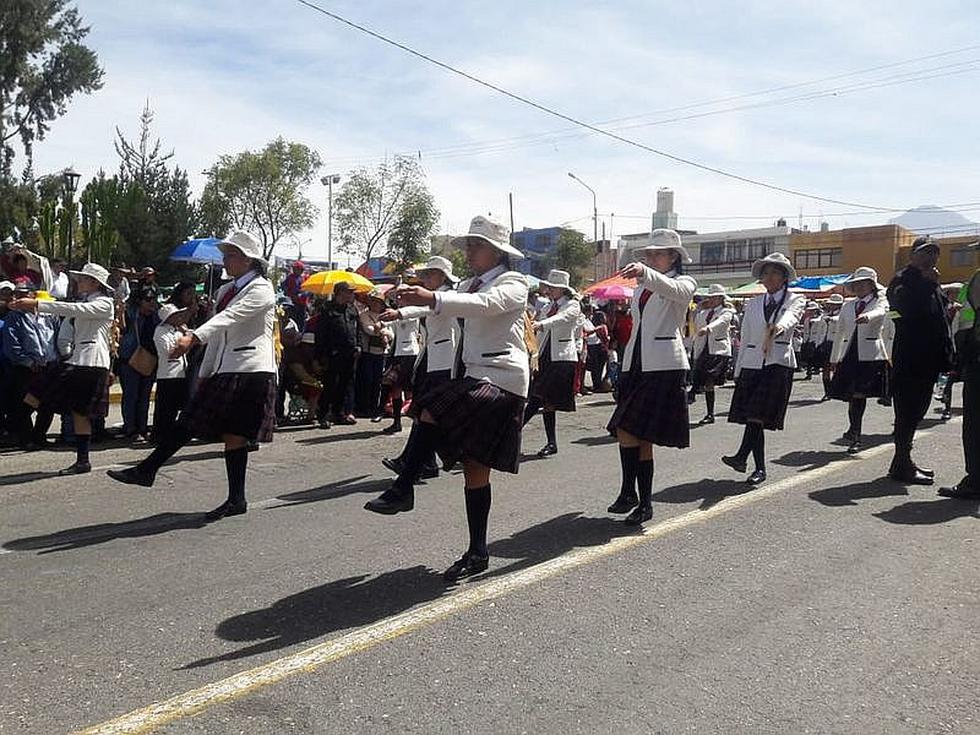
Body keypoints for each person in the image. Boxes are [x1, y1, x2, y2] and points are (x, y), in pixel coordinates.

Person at [364, 215, 529, 581]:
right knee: (474, 468)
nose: (469, 251)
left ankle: (403, 487)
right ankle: (478, 551)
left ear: (498, 252)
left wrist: (435, 296)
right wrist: (407, 306)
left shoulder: (514, 282)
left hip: (503, 379)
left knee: (432, 405)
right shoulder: (469, 284)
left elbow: (485, 305)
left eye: (476, 245)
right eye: (468, 245)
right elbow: (438, 307)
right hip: (475, 376)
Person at [107, 231, 277, 521]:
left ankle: (232, 497)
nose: (225, 259)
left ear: (248, 260)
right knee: (190, 421)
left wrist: (193, 337)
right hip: (225, 369)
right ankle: (149, 470)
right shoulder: (226, 291)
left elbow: (228, 319)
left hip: (252, 369)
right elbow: (219, 333)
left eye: (231, 254)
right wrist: (205, 373)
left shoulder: (262, 289)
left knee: (232, 435)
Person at [606, 229, 698, 525]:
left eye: (659, 253)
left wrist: (645, 272)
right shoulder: (641, 288)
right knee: (634, 434)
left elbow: (677, 292)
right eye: (649, 253)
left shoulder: (683, 282)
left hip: (664, 365)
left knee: (628, 428)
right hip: (636, 363)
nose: (651, 257)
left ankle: (629, 493)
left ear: (674, 257)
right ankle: (641, 500)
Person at [8, 263, 115, 474]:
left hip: (90, 361)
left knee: (74, 409)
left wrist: (36, 304)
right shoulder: (86, 301)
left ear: (95, 283)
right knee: (44, 393)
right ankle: (19, 428)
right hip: (78, 360)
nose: (79, 282)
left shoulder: (104, 303)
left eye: (83, 279)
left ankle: (81, 459)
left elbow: (72, 309)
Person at [722, 252, 805, 485]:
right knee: (752, 417)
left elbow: (792, 317)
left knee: (757, 416)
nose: (769, 277)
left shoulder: (794, 299)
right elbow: (746, 334)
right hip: (751, 362)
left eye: (775, 273)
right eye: (766, 273)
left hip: (777, 363)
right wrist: (738, 370)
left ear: (784, 277)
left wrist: (777, 328)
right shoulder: (754, 302)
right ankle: (755, 466)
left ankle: (743, 458)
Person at [379, 255, 461, 482]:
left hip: (445, 363)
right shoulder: (436, 296)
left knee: (427, 413)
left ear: (442, 276)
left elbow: (425, 310)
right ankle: (426, 463)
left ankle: (413, 462)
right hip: (431, 360)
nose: (425, 278)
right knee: (424, 412)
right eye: (424, 274)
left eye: (429, 274)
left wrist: (401, 312)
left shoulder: (449, 295)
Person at [885, 236, 954, 485]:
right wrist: (926, 285)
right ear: (913, 255)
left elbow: (939, 320)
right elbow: (899, 313)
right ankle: (902, 464)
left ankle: (901, 461)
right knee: (907, 412)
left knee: (918, 411)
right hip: (910, 358)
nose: (931, 257)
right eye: (925, 253)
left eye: (935, 253)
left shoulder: (933, 282)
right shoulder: (902, 280)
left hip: (929, 359)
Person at [827, 267, 890, 454]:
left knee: (859, 395)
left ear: (872, 285)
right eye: (856, 283)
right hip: (849, 354)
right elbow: (839, 333)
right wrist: (834, 358)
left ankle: (856, 434)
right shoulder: (847, 306)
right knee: (851, 396)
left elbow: (881, 311)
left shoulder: (881, 301)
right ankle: (854, 430)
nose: (859, 286)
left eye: (863, 283)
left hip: (870, 355)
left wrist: (867, 316)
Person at [522, 269, 581, 457]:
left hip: (561, 358)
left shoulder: (572, 305)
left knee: (538, 398)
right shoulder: (547, 307)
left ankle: (509, 432)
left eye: (555, 287)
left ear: (563, 289)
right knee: (544, 401)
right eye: (550, 287)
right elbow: (536, 323)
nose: (551, 290)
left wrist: (542, 324)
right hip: (544, 356)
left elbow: (560, 319)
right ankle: (551, 443)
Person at [939, 269, 979, 499]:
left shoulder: (977, 279)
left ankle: (975, 481)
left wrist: (960, 354)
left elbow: (967, 322)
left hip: (976, 357)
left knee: (974, 424)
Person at [2, 283, 58, 448]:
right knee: (24, 404)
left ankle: (39, 437)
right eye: (16, 295)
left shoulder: (47, 316)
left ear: (33, 296)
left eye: (23, 294)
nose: (18, 298)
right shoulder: (14, 317)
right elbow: (12, 346)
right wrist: (28, 362)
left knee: (47, 405)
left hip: (48, 366)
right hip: (27, 368)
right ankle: (26, 438)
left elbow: (55, 340)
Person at [151, 283, 198, 442]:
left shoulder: (179, 330)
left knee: (177, 406)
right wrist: (185, 342)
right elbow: (170, 352)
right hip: (167, 374)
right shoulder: (160, 331)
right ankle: (159, 434)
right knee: (165, 407)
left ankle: (170, 432)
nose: (180, 318)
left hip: (180, 372)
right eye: (176, 316)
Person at [314, 281, 360, 428]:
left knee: (345, 385)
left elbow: (356, 329)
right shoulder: (327, 310)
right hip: (332, 354)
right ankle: (323, 415)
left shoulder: (352, 310)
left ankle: (338, 413)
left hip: (349, 353)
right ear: (340, 292)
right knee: (330, 385)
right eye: (349, 292)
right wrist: (320, 356)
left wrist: (358, 345)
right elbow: (320, 335)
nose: (351, 294)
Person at [118, 290, 161, 443]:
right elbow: (121, 329)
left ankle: (142, 428)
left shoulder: (157, 316)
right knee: (131, 395)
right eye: (148, 299)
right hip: (130, 359)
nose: (152, 303)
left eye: (154, 299)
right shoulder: (130, 315)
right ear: (139, 301)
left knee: (144, 397)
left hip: (150, 360)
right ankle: (130, 429)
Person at [689, 283, 734, 424]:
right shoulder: (704, 313)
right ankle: (701, 403)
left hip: (718, 350)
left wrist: (708, 328)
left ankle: (709, 412)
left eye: (715, 297)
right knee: (700, 376)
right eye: (710, 297)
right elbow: (693, 323)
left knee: (709, 378)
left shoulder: (726, 312)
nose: (712, 300)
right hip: (704, 349)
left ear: (721, 298)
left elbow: (721, 322)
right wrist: (698, 308)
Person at [380, 300, 421, 434]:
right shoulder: (397, 315)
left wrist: (397, 314)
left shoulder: (413, 312)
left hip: (411, 353)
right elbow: (390, 329)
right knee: (394, 386)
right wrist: (383, 331)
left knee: (411, 388)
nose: (401, 301)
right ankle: (396, 421)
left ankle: (418, 419)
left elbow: (408, 317)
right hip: (397, 354)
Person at [356, 289, 393, 420]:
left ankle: (374, 406)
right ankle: (364, 407)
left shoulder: (386, 315)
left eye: (379, 302)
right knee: (367, 380)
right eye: (373, 301)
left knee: (378, 381)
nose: (376, 304)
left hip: (381, 352)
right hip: (368, 352)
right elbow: (368, 330)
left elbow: (391, 333)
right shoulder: (364, 315)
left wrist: (381, 331)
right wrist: (382, 331)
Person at [583, 309, 610, 392]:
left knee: (599, 367)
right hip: (594, 346)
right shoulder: (585, 321)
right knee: (595, 367)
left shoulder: (591, 322)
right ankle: (597, 385)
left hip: (598, 346)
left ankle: (598, 383)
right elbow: (587, 333)